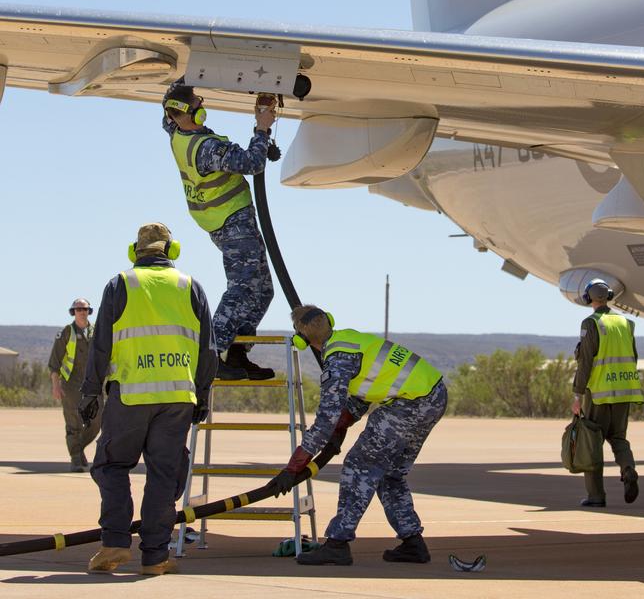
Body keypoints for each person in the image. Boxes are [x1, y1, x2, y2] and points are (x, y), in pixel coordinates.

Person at [79, 222, 218, 576]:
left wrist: (90, 391)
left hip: (131, 393)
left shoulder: (120, 284)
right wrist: (202, 395)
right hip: (177, 398)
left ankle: (114, 541)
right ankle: (155, 556)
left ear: (135, 252)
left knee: (111, 466)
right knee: (163, 473)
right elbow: (208, 351)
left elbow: (101, 345)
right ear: (171, 251)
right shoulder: (191, 287)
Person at [270, 305, 448, 566]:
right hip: (433, 395)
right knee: (390, 475)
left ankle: (338, 544)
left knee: (359, 466)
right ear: (329, 321)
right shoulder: (349, 339)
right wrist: (341, 428)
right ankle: (413, 543)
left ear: (302, 339)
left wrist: (294, 466)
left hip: (411, 403)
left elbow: (325, 420)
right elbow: (362, 396)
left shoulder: (337, 359)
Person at [161, 80, 275, 380]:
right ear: (193, 113)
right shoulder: (207, 148)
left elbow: (167, 110)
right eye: (198, 103)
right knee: (242, 288)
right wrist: (262, 126)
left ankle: (237, 353)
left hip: (219, 220)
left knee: (263, 291)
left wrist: (186, 78)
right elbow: (252, 162)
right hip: (232, 221)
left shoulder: (176, 130)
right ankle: (212, 354)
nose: (203, 107)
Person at [572, 277, 643, 508]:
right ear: (610, 296)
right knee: (619, 438)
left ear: (588, 298)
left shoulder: (591, 323)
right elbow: (633, 357)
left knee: (593, 444)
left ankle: (596, 496)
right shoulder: (626, 323)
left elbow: (586, 362)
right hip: (624, 392)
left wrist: (577, 394)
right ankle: (628, 469)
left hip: (599, 394)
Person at [48, 297, 103, 472]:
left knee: (97, 422)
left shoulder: (96, 331)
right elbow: (54, 363)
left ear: (89, 312)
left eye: (85, 309)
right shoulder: (65, 333)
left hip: (92, 383)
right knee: (74, 423)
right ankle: (76, 460)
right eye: (79, 309)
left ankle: (78, 449)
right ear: (73, 312)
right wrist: (56, 385)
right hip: (71, 384)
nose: (82, 312)